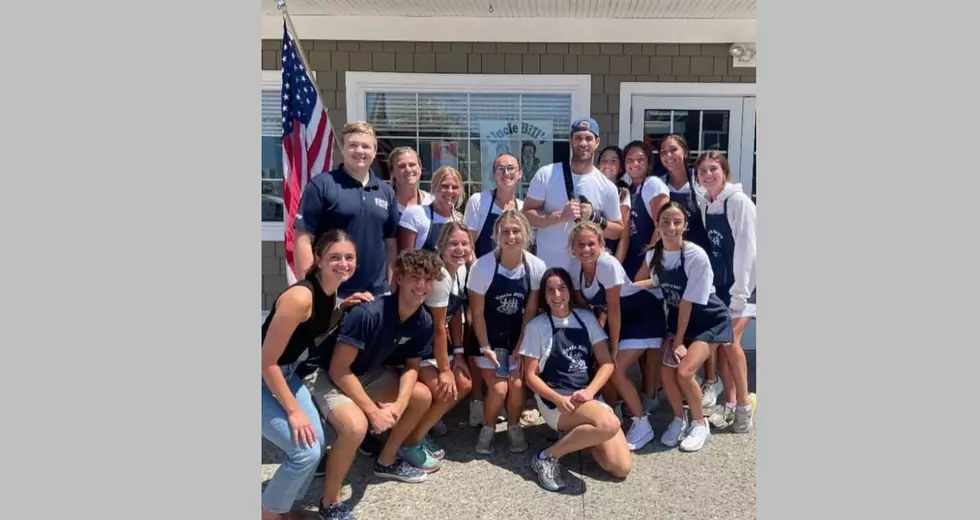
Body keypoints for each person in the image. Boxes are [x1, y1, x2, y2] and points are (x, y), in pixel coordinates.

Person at [310, 249, 444, 520]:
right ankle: (330, 504)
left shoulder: (423, 320)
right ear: (400, 279)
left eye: (428, 279)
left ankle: (387, 460)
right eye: (415, 277)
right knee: (355, 427)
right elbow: (338, 369)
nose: (422, 286)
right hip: (326, 375)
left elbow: (412, 367)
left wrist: (398, 406)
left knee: (420, 395)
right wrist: (373, 412)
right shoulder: (369, 313)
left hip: (367, 373)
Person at [260, 230, 372, 520]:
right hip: (263, 374)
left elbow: (315, 325)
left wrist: (343, 307)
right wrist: (294, 411)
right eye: (334, 257)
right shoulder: (299, 297)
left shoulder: (330, 292)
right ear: (319, 259)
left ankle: (282, 505)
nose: (343, 263)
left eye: (349, 257)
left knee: (316, 444)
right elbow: (266, 361)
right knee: (305, 452)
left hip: (284, 374)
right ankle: (269, 515)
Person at [520, 267, 632, 492]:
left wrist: (590, 392)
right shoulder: (537, 327)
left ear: (570, 291)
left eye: (562, 288)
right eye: (550, 290)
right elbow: (530, 376)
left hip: (587, 396)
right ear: (544, 295)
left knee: (620, 467)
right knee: (610, 423)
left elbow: (607, 363)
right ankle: (546, 457)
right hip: (557, 400)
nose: (557, 295)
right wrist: (557, 399)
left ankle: (580, 434)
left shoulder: (586, 319)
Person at [634, 202, 733, 452]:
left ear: (685, 226)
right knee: (666, 371)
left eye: (677, 222)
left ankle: (700, 424)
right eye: (665, 221)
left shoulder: (695, 256)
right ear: (657, 225)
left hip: (708, 320)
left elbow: (688, 303)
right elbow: (656, 282)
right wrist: (625, 287)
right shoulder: (653, 255)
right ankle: (679, 419)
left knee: (685, 371)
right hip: (681, 321)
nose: (671, 226)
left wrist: (678, 342)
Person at [566, 221, 661, 451]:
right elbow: (588, 309)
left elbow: (614, 308)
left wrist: (614, 345)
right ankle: (615, 411)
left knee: (614, 367)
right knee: (604, 366)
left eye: (591, 244)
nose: (586, 249)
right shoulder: (575, 268)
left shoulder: (607, 265)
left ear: (601, 244)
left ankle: (642, 422)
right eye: (580, 244)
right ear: (572, 247)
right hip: (621, 321)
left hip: (642, 316)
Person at [395, 222, 475, 472]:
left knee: (465, 384)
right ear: (441, 246)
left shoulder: (461, 270)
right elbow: (440, 327)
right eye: (453, 244)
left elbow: (457, 312)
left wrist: (459, 354)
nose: (459, 249)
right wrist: (444, 370)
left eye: (464, 243)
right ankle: (410, 442)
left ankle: (421, 430)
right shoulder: (439, 275)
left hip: (436, 343)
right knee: (445, 388)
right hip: (416, 346)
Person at [466, 209, 546, 455]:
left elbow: (530, 310)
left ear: (526, 234)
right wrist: (485, 347)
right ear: (496, 236)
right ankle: (488, 428)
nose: (511, 236)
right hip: (488, 337)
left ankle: (513, 426)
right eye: (505, 231)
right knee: (499, 388)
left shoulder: (536, 266)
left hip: (516, 337)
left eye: (516, 231)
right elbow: (476, 314)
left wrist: (522, 346)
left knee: (518, 383)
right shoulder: (482, 266)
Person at [293, 121, 399, 299]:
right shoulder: (322, 185)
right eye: (353, 145)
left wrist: (390, 287)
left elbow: (390, 244)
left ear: (374, 150)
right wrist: (311, 291)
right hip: (333, 296)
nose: (359, 151)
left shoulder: (385, 191)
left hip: (377, 295)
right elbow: (303, 240)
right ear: (342, 148)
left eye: (365, 146)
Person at [657, 134, 722, 407]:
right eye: (663, 151)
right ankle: (684, 383)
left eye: (674, 150)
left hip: (704, 257)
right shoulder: (659, 185)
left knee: (705, 317)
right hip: (675, 256)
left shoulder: (701, 179)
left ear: (684, 152)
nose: (668, 155)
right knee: (683, 316)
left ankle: (711, 379)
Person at [695, 151, 756, 433]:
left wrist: (739, 295)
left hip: (745, 286)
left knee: (731, 342)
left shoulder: (738, 202)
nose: (708, 174)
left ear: (725, 172)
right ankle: (729, 405)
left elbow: (747, 249)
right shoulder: (708, 204)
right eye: (703, 170)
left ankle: (744, 408)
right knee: (720, 344)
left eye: (714, 169)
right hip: (721, 286)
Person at [461, 152, 524, 426]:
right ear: (493, 174)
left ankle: (504, 401)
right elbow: (468, 243)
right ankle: (476, 399)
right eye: (500, 168)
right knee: (476, 335)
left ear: (520, 173)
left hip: (510, 281)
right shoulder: (479, 201)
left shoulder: (523, 207)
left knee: (506, 336)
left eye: (511, 168)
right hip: (482, 279)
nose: (506, 172)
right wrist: (483, 273)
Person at [522, 117, 623, 270]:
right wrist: (561, 216)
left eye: (588, 138)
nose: (583, 143)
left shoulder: (607, 187)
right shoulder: (547, 174)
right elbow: (527, 216)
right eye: (578, 138)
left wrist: (593, 218)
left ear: (597, 142)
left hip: (587, 275)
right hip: (550, 270)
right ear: (570, 141)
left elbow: (617, 231)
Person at [397, 166, 464, 252]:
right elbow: (405, 258)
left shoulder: (460, 220)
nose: (450, 191)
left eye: (454, 187)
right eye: (444, 186)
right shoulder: (415, 214)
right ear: (434, 187)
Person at [595, 145, 631, 264]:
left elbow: (624, 234)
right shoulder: (590, 186)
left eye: (613, 161)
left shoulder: (623, 192)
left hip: (609, 252)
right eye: (604, 160)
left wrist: (617, 264)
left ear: (621, 168)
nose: (608, 165)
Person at [389, 146, 435, 215]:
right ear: (392, 172)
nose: (408, 170)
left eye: (412, 165)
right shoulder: (384, 204)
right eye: (401, 166)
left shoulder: (432, 203)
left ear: (420, 168)